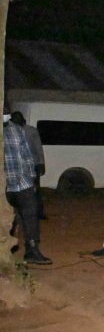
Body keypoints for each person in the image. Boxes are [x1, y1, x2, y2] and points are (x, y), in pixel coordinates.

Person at [4, 111, 50, 263]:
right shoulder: (17, 130)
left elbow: (31, 154)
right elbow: (28, 157)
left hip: (10, 185)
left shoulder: (22, 130)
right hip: (19, 184)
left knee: (21, 217)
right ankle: (30, 250)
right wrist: (31, 181)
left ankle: (24, 249)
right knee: (28, 217)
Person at [10, 112, 45, 220]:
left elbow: (38, 147)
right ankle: (30, 213)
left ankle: (36, 213)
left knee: (31, 191)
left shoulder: (29, 131)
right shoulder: (13, 131)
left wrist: (41, 163)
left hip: (28, 166)